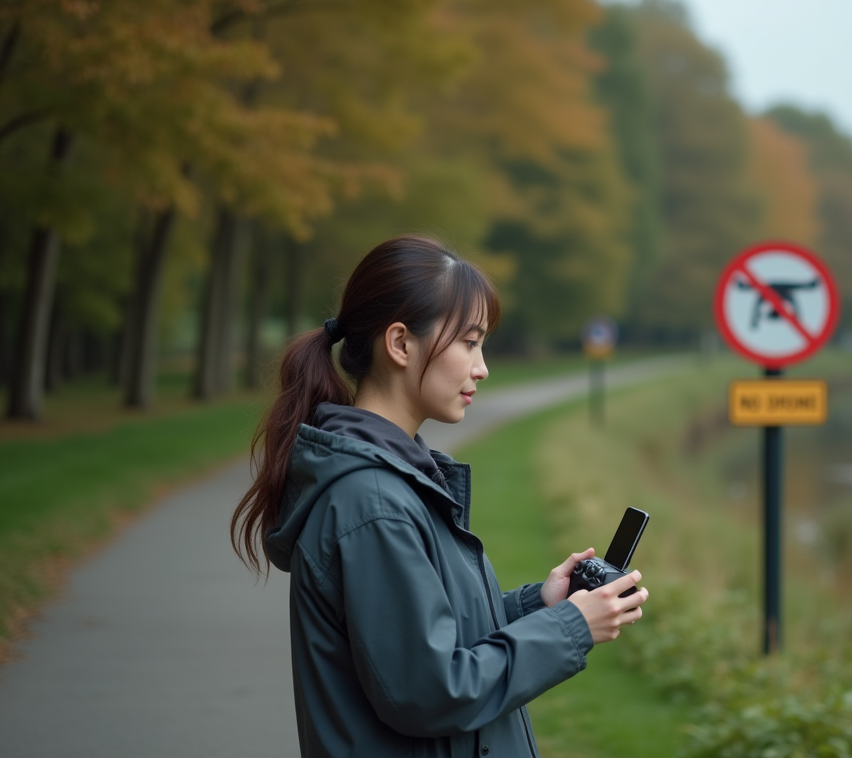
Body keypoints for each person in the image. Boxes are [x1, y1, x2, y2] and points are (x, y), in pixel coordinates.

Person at [231, 235, 649, 758]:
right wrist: (571, 628)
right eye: (469, 342)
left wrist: (539, 606)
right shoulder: (373, 502)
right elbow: (430, 691)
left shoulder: (395, 480)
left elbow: (427, 639)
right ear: (400, 344)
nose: (482, 367)